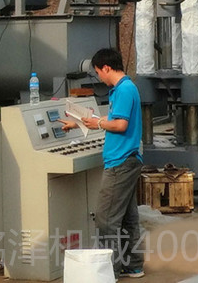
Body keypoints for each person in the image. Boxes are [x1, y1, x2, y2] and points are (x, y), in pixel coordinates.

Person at [60, 48, 144, 279]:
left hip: (120, 162)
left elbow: (119, 125)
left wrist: (97, 124)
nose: (98, 77)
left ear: (106, 68)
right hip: (127, 159)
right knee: (127, 218)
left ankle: (109, 271)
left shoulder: (124, 90)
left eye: (98, 72)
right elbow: (111, 118)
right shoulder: (123, 89)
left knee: (106, 220)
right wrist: (78, 123)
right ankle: (133, 265)